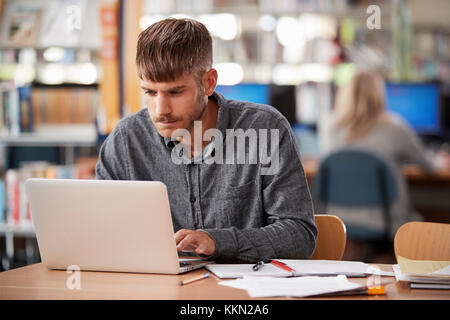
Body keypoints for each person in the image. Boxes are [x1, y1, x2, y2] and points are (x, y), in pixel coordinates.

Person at [95, 18, 317, 263]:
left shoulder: (265, 129)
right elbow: (101, 231)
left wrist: (217, 241)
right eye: (150, 92)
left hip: (242, 294)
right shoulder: (127, 139)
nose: (161, 110)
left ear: (209, 82)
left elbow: (299, 235)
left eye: (175, 92)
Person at [319, 69, 441, 239]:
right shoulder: (395, 127)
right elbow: (431, 166)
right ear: (379, 94)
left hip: (338, 218)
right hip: (385, 219)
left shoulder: (328, 126)